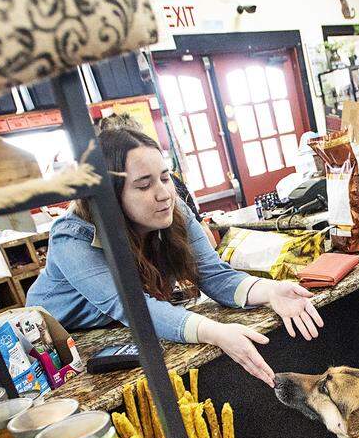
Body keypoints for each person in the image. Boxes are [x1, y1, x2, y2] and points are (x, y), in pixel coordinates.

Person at [26, 126, 323, 388]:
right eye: (144, 185)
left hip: (117, 332)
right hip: (59, 348)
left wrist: (271, 291)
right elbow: (132, 307)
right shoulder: (72, 237)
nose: (163, 193)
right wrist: (213, 331)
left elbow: (215, 275)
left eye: (165, 178)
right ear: (108, 197)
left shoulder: (173, 210)